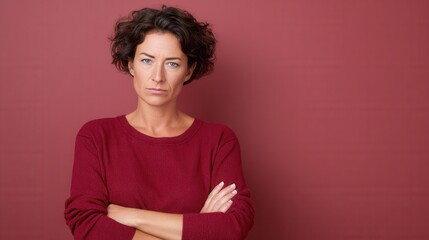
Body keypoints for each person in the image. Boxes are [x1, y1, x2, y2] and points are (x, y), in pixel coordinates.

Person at [64, 5, 254, 240]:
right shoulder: (96, 136)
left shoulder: (218, 140)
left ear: (188, 70)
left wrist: (132, 216)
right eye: (147, 60)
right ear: (131, 64)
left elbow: (233, 227)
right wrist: (198, 228)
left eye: (172, 63)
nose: (157, 76)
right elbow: (87, 225)